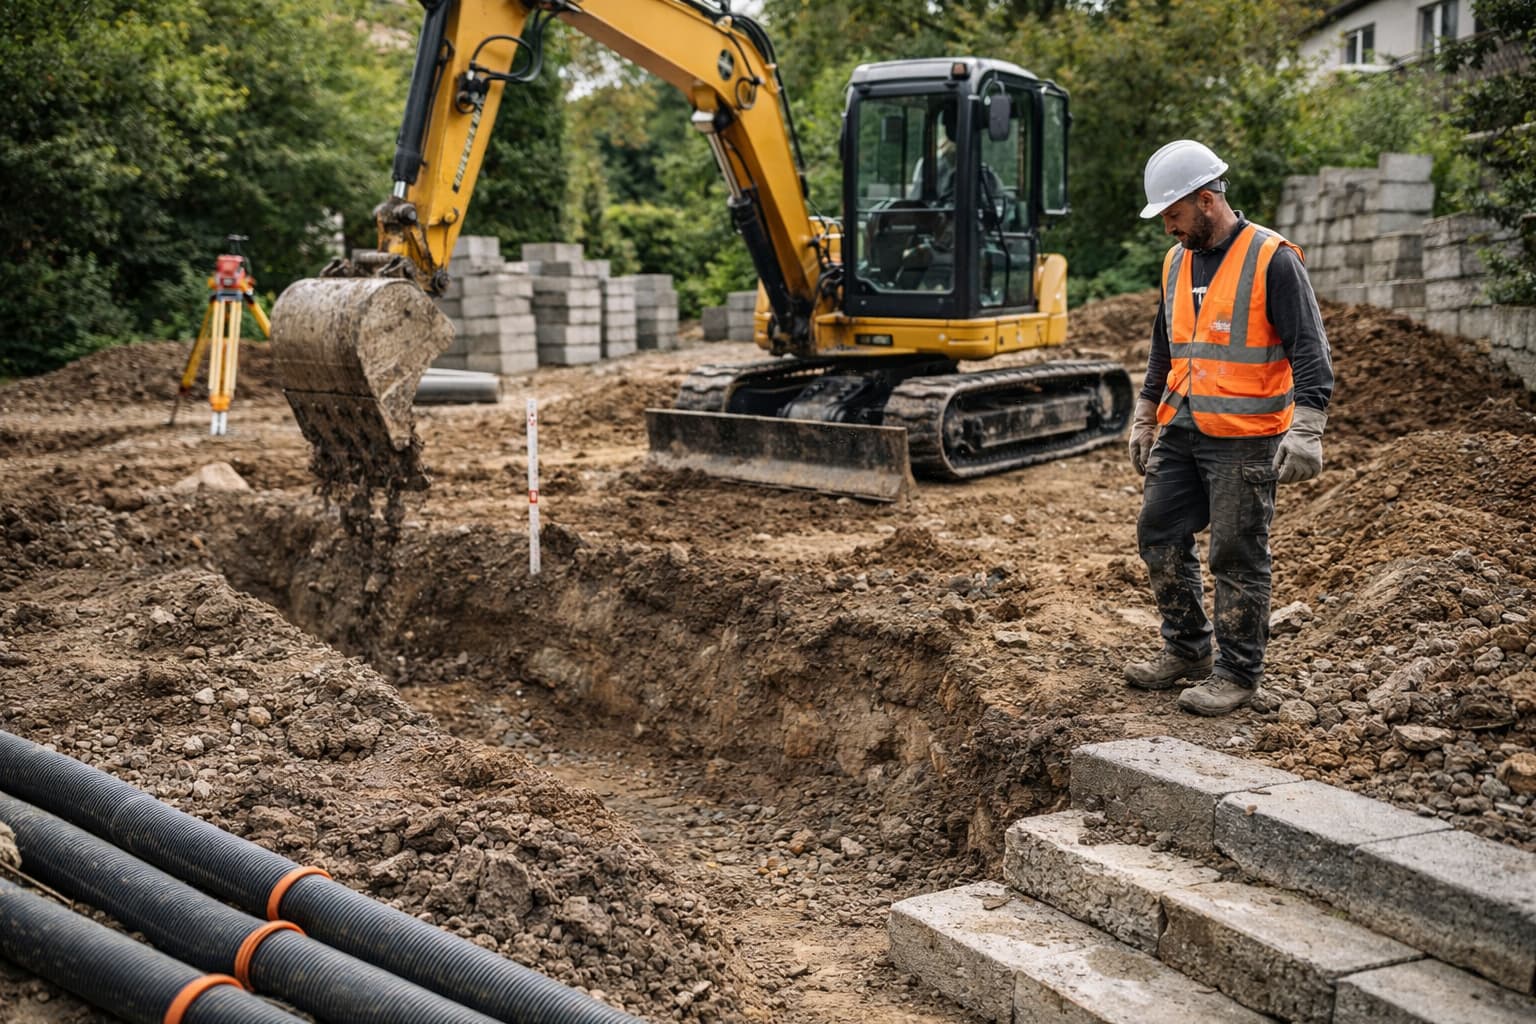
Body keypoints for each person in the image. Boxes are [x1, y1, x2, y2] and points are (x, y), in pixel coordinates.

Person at [1124, 139, 1335, 716]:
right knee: (1158, 534)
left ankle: (1238, 673)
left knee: (1237, 555)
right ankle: (1187, 649)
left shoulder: (1273, 258)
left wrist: (1308, 428)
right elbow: (1163, 349)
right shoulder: (1176, 262)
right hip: (1183, 427)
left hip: (1246, 437)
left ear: (1206, 200)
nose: (1169, 227)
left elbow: (1311, 353)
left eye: (1173, 214)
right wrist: (1146, 416)